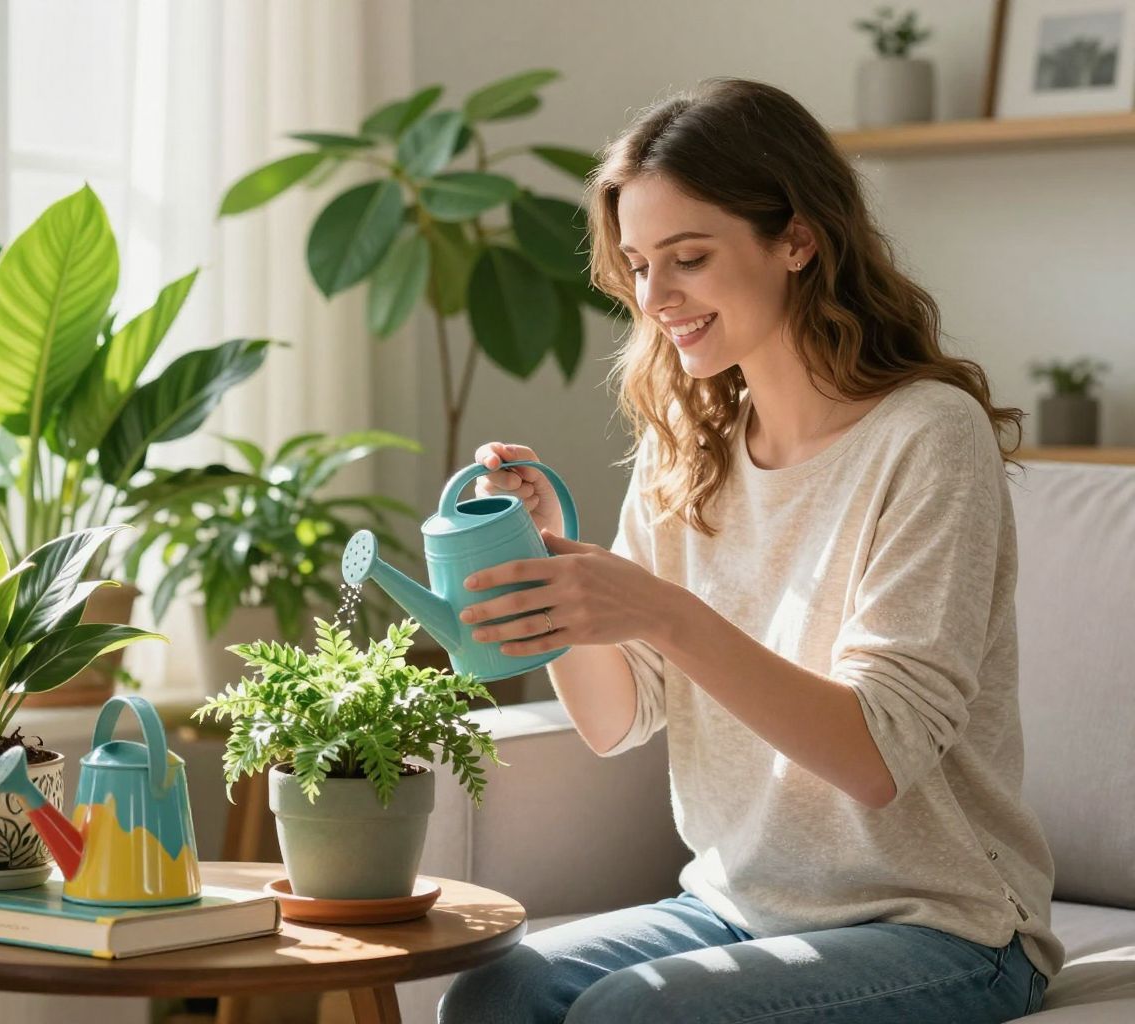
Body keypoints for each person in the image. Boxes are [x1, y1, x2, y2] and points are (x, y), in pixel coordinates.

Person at [438, 77, 1059, 1024]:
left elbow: (876, 759)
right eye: (640, 265)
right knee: (495, 993)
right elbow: (615, 720)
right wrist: (552, 572)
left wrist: (662, 612)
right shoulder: (686, 446)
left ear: (798, 239)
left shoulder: (927, 436)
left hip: (946, 927)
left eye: (688, 257)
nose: (656, 298)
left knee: (632, 1016)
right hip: (735, 907)